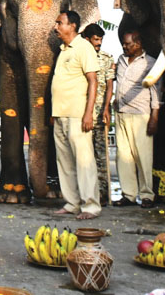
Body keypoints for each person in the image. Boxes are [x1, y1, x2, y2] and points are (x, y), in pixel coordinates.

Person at [51, 11, 101, 220]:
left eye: (59, 23)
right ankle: (72, 203)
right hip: (60, 114)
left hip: (78, 114)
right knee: (65, 162)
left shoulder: (83, 47)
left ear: (72, 26)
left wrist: (88, 113)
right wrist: (53, 113)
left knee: (84, 160)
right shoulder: (63, 50)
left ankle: (90, 206)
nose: (56, 27)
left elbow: (93, 81)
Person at [111, 29, 160, 208]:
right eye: (124, 44)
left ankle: (147, 195)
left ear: (138, 44)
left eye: (128, 44)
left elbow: (156, 93)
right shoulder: (121, 60)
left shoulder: (150, 63)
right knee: (123, 156)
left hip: (141, 115)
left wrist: (154, 117)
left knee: (143, 157)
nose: (125, 47)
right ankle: (128, 195)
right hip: (121, 113)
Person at [81, 23, 115, 206]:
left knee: (101, 158)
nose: (99, 43)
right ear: (87, 39)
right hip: (82, 114)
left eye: (101, 40)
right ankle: (85, 195)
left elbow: (110, 85)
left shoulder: (107, 58)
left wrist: (107, 108)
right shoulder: (79, 56)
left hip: (100, 114)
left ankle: (103, 196)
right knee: (84, 158)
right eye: (96, 39)